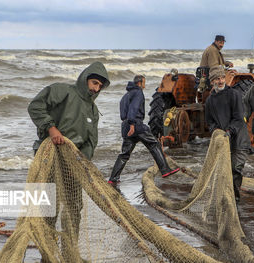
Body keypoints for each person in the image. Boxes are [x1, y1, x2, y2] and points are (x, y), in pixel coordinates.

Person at [28, 61, 110, 262]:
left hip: (73, 164)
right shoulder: (62, 91)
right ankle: (48, 254)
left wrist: (83, 161)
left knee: (74, 208)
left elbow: (91, 141)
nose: (95, 88)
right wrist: (51, 128)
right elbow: (35, 106)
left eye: (99, 86)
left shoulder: (93, 110)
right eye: (93, 82)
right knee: (50, 207)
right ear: (84, 79)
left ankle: (69, 253)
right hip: (51, 158)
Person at [108, 75, 180, 185]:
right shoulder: (138, 92)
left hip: (125, 126)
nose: (145, 85)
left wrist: (129, 124)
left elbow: (123, 113)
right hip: (136, 125)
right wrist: (132, 124)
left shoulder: (125, 96)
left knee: (124, 154)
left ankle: (113, 178)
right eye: (144, 82)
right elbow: (134, 108)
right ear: (140, 83)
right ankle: (165, 170)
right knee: (154, 144)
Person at [205, 66, 250, 201]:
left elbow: (238, 117)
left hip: (239, 138)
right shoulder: (209, 101)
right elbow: (210, 121)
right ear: (212, 81)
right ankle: (228, 195)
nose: (221, 81)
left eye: (223, 78)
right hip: (224, 140)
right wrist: (215, 131)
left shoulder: (234, 94)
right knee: (224, 171)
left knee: (236, 168)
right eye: (217, 78)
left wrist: (230, 130)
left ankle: (234, 198)